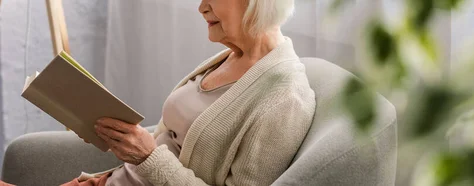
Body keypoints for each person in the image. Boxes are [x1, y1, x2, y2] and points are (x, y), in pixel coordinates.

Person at [1, 0, 315, 185]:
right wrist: (112, 141)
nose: (201, 7)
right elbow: (171, 142)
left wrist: (145, 155)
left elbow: (155, 157)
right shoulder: (233, 56)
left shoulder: (284, 99)